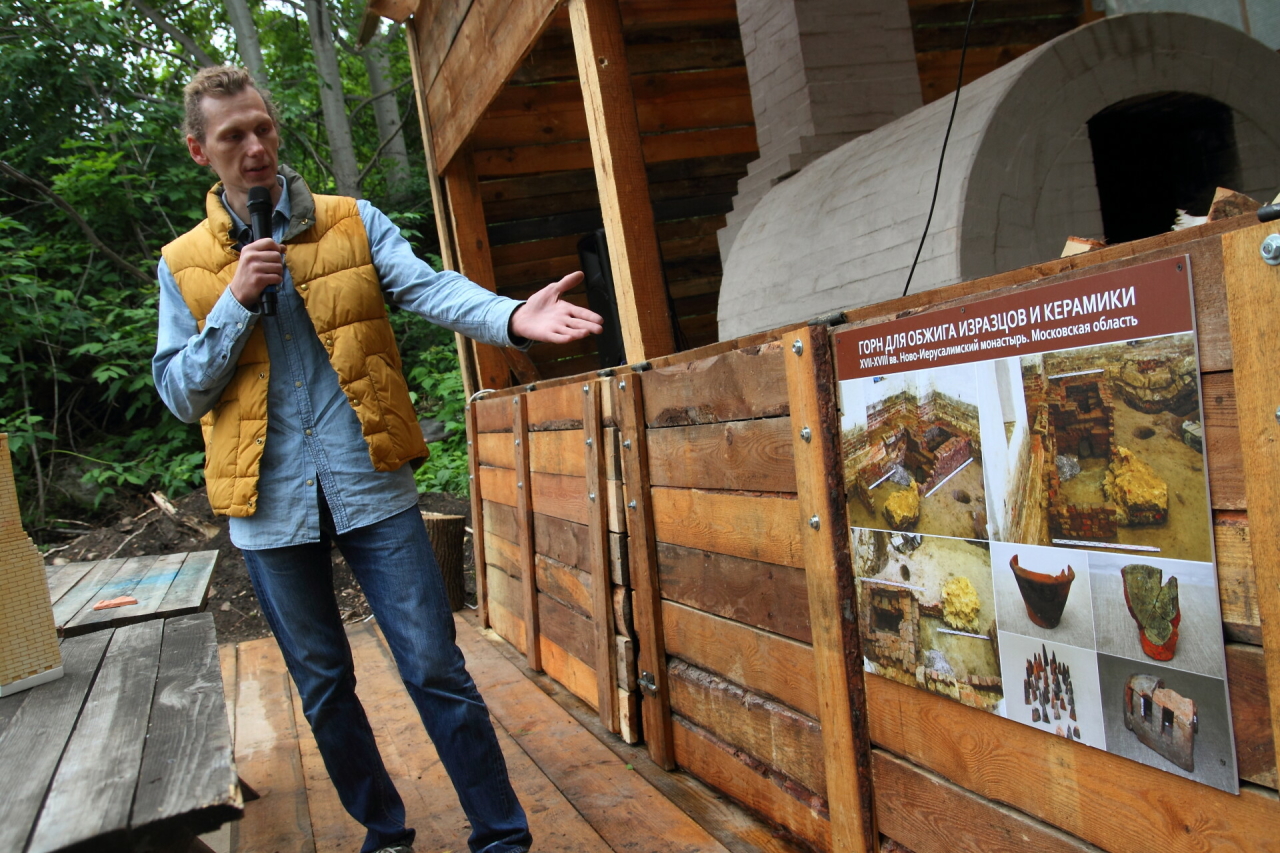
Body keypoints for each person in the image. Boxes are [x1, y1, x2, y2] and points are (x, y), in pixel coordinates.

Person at [153, 66, 603, 853]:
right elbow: (179, 393)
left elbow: (429, 289)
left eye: (262, 127)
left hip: (369, 481)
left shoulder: (350, 221)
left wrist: (510, 318)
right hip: (266, 506)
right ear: (200, 150)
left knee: (433, 665)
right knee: (324, 686)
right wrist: (233, 302)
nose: (255, 147)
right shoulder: (182, 262)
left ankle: (501, 835)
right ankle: (385, 831)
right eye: (233, 136)